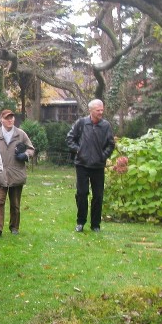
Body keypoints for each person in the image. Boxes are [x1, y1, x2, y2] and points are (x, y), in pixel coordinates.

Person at [66, 99, 115, 233]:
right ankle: (80, 222)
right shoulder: (81, 123)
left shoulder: (106, 126)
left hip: (98, 166)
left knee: (98, 196)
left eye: (102, 110)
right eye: (98, 110)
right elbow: (70, 138)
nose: (101, 112)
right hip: (82, 165)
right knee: (82, 194)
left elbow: (111, 144)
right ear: (91, 110)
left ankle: (95, 225)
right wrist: (78, 150)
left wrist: (102, 156)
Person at [0, 109, 35, 237]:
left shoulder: (21, 134)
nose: (10, 120)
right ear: (1, 120)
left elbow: (31, 149)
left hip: (16, 173)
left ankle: (14, 227)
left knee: (15, 204)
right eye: (7, 118)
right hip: (0, 173)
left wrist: (25, 155)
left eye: (12, 118)